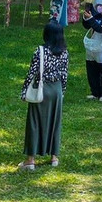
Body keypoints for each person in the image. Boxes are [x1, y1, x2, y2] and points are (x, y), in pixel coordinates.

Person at [19, 21, 69, 171]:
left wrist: (24, 91)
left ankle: (30, 160)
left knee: (34, 122)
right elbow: (64, 74)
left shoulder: (40, 51)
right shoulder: (64, 52)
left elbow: (32, 72)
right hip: (57, 89)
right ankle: (54, 157)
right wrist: (62, 92)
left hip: (42, 88)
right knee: (55, 122)